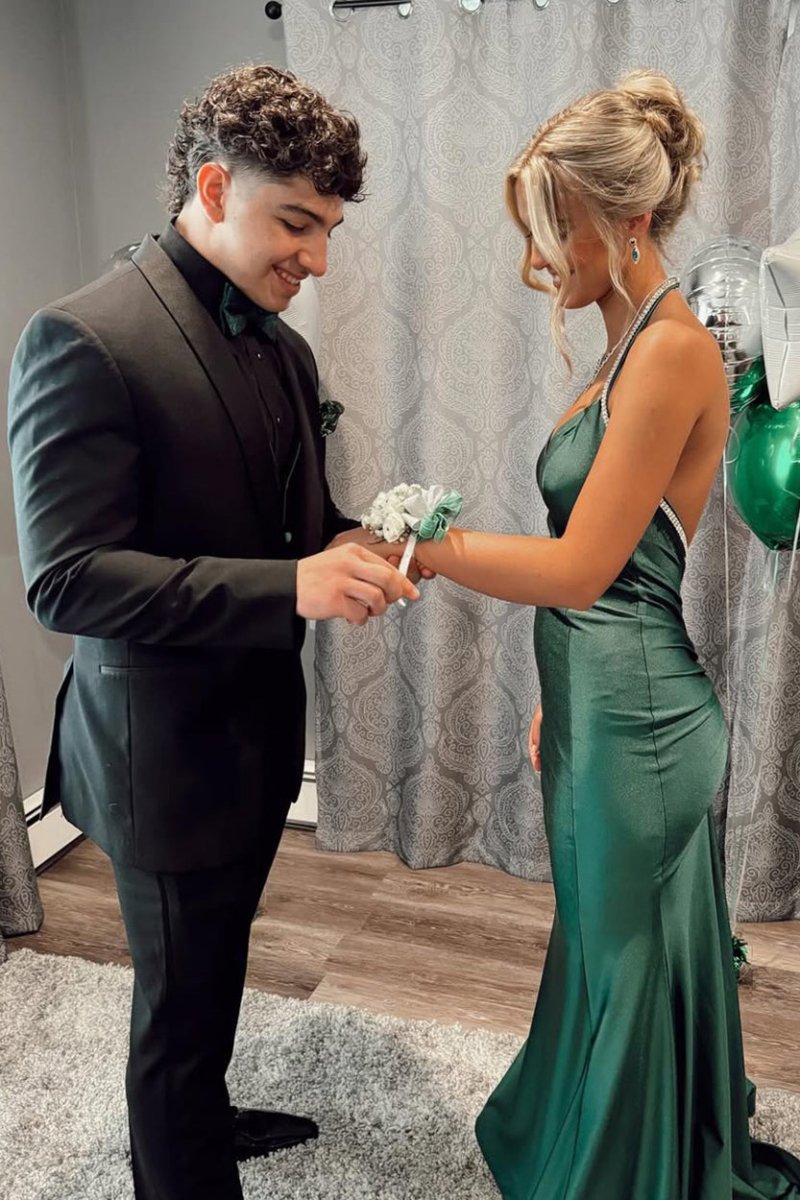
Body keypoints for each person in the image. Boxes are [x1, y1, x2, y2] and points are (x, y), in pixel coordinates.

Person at [7, 64, 418, 1200]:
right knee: (175, 1012)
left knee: (213, 972)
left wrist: (357, 541)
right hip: (163, 759)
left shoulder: (284, 348)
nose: (317, 259)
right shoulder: (81, 337)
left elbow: (288, 527)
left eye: (328, 230)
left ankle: (202, 1113)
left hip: (253, 736)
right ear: (214, 187)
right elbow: (67, 581)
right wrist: (292, 588)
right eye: (297, 223)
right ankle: (179, 1157)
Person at [402, 71, 800, 1198]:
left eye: (556, 226)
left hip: (639, 720)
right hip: (600, 699)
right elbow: (618, 564)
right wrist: (556, 692)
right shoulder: (626, 344)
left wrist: (424, 546)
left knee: (619, 958)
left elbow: (582, 568)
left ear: (629, 220)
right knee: (603, 946)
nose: (540, 258)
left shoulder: (671, 350)